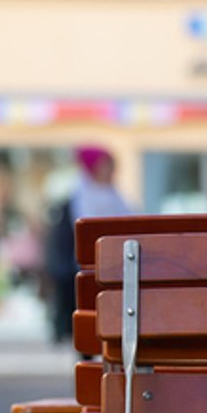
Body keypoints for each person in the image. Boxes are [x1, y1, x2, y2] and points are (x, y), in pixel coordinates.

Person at [46, 146, 134, 345]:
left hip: (118, 269)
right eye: (107, 166)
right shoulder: (79, 198)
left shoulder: (115, 195)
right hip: (88, 269)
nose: (111, 172)